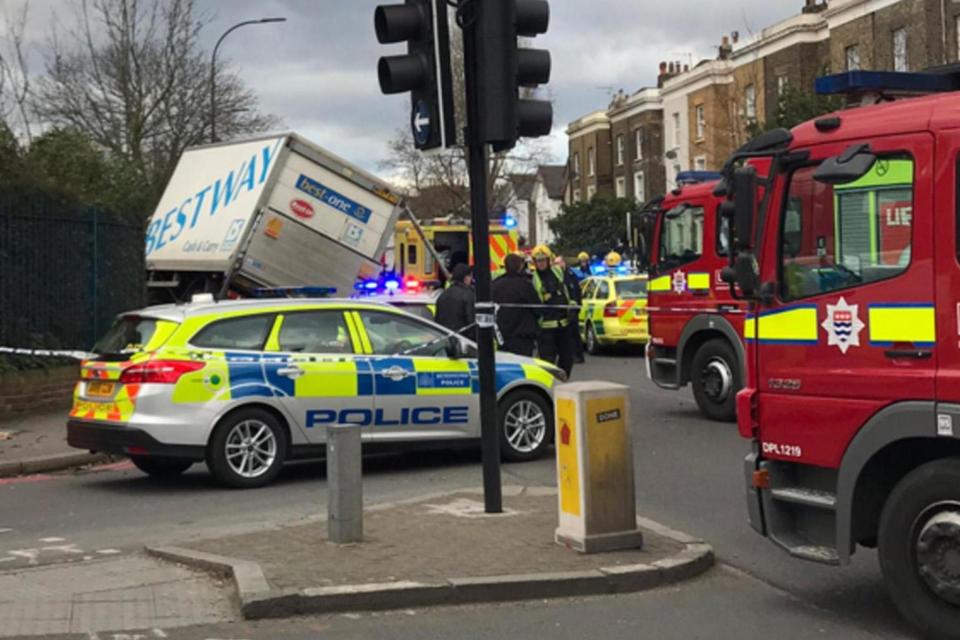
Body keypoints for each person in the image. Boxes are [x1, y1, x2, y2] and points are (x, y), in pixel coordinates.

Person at [530, 245, 575, 377]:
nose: (541, 263)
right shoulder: (534, 279)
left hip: (563, 324)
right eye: (538, 261)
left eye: (543, 260)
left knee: (567, 358)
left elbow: (569, 291)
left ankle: (562, 383)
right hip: (546, 328)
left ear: (549, 260)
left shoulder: (558, 272)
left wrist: (571, 307)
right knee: (547, 362)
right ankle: (549, 388)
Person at [492, 253, 540, 357]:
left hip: (502, 336)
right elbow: (537, 308)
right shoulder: (525, 285)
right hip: (523, 337)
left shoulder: (495, 285)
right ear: (520, 266)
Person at [555, 256, 586, 364]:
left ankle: (578, 355)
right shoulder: (557, 275)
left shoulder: (570, 275)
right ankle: (571, 355)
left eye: (558, 263)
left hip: (572, 309)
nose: (557, 265)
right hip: (563, 309)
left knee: (574, 333)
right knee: (567, 334)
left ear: (563, 263)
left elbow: (576, 291)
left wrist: (577, 306)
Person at [434, 263, 475, 338]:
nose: (471, 279)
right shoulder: (468, 295)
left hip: (444, 339)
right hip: (462, 340)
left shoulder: (443, 295)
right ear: (466, 278)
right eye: (470, 276)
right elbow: (471, 323)